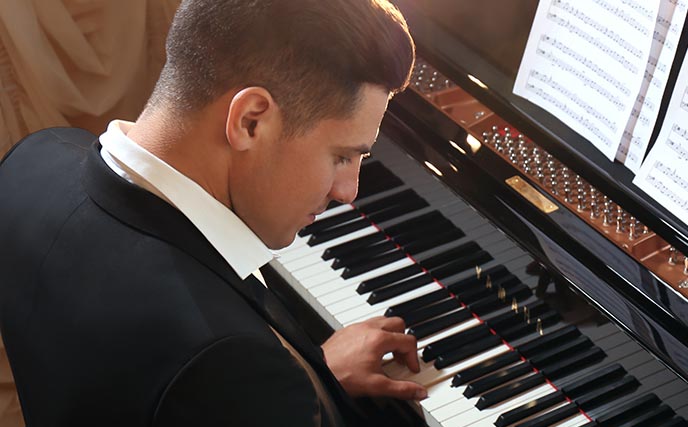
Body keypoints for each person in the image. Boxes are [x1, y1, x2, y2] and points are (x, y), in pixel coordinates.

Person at [0, 0, 426, 425]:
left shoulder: (32, 161)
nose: (347, 192)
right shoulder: (229, 366)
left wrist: (316, 375)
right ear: (250, 121)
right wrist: (278, 394)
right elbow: (209, 373)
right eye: (342, 156)